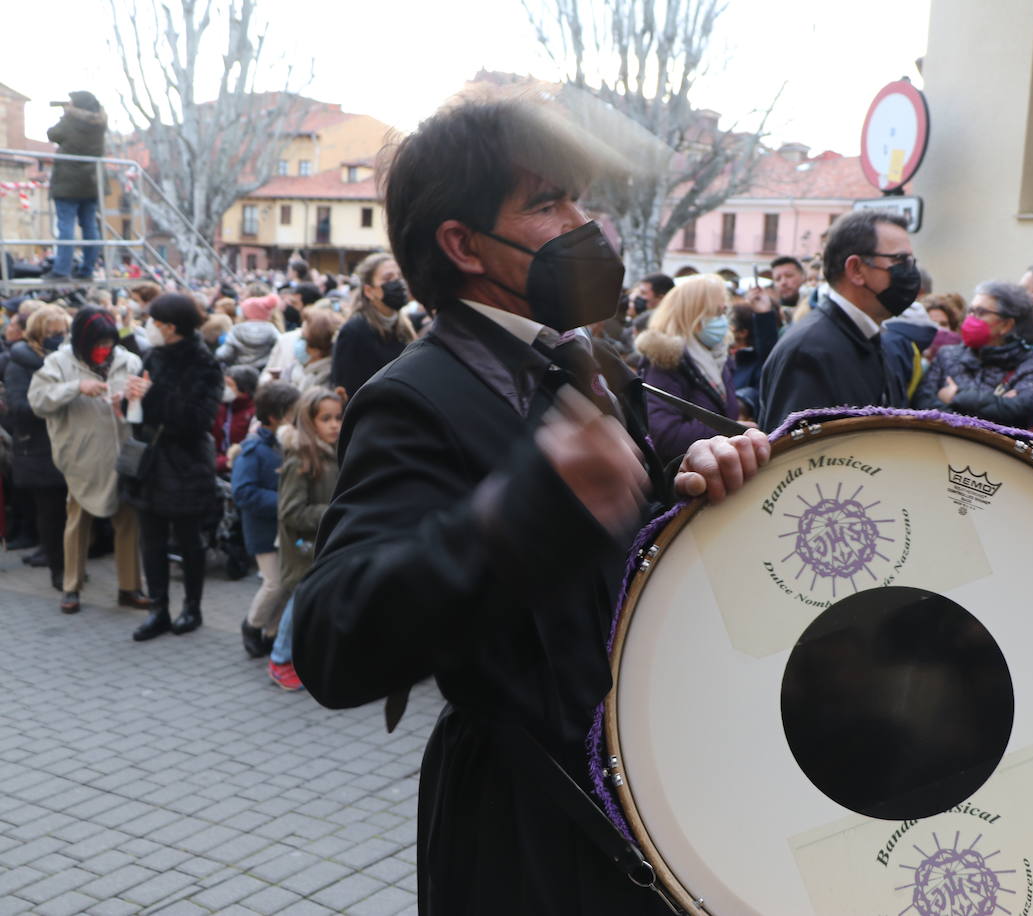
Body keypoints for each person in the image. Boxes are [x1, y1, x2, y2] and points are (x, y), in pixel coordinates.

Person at [290, 95, 769, 914]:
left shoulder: (582, 356)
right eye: (549, 204)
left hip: (639, 792)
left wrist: (689, 480)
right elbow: (334, 639)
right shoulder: (411, 396)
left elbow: (614, 531)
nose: (585, 226)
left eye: (581, 199)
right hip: (531, 832)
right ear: (462, 245)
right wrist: (532, 507)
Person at [27, 307, 149, 615]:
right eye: (98, 344)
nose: (104, 350)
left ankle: (129, 586)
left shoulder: (128, 359)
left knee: (128, 521)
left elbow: (143, 405)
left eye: (108, 343)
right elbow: (37, 401)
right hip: (82, 457)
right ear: (83, 341)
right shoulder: (58, 362)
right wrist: (75, 388)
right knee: (78, 522)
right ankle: (71, 587)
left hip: (123, 453)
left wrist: (138, 396)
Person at [758, 210, 914, 430]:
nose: (910, 270)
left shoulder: (873, 338)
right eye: (899, 260)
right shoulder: (809, 350)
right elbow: (797, 459)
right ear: (856, 269)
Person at [128, 294, 224, 641]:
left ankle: (192, 608)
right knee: (151, 541)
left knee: (188, 541)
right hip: (150, 463)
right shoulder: (151, 355)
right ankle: (158, 609)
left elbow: (199, 420)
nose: (148, 327)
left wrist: (151, 395)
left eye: (153, 322)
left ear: (170, 327)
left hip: (185, 465)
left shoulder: (205, 363)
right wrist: (131, 397)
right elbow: (143, 407)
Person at [265, 387, 344, 691]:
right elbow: (290, 512)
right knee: (299, 605)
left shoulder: (335, 452)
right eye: (326, 419)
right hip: (304, 548)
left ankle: (312, 658)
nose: (334, 425)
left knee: (318, 604)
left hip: (326, 546)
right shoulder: (301, 458)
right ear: (309, 422)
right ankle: (280, 659)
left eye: (338, 417)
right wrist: (334, 513)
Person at [635, 274, 742, 460]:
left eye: (724, 313)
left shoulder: (716, 358)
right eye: (716, 313)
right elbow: (667, 438)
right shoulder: (666, 360)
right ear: (692, 314)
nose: (722, 321)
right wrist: (734, 432)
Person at [913, 281, 1033, 428]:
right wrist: (994, 407)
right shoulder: (947, 355)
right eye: (971, 311)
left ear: (1006, 325)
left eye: (981, 313)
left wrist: (956, 396)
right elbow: (922, 403)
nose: (971, 318)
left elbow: (1021, 411)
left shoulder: (1029, 365)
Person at [4, 305, 72, 587]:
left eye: (64, 332)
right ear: (38, 334)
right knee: (51, 512)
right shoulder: (18, 364)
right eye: (54, 332)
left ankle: (73, 567)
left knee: (68, 513)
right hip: (37, 448)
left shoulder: (64, 360)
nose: (60, 337)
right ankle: (59, 569)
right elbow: (20, 408)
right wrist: (60, 399)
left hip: (65, 444)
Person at [235, 381, 301, 658]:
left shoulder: (287, 443)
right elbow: (243, 492)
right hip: (263, 530)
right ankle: (252, 625)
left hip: (284, 529)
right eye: (292, 412)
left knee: (286, 585)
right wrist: (285, 503)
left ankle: (273, 633)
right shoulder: (253, 450)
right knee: (274, 583)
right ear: (274, 417)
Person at [42, 92, 108, 281]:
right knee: (90, 226)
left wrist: (66, 114)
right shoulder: (100, 123)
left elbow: (52, 134)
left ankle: (61, 270)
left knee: (66, 227)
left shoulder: (70, 120)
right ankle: (87, 270)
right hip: (92, 182)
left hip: (68, 182)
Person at [330, 252, 416, 396]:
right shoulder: (354, 331)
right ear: (369, 291)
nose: (398, 283)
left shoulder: (405, 328)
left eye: (399, 277)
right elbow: (346, 389)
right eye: (388, 278)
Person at [216, 295, 280, 370]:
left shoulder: (237, 329)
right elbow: (279, 350)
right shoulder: (271, 329)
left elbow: (225, 354)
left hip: (239, 372)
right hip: (264, 371)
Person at [214, 366, 256, 474]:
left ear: (244, 389)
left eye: (229, 385)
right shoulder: (220, 407)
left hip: (241, 468)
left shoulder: (254, 413)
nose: (224, 388)